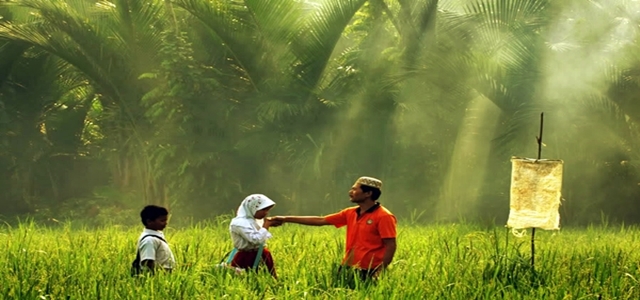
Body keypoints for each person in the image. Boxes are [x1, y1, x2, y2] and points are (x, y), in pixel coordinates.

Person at [271, 176, 397, 282]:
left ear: (368, 193)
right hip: (348, 265)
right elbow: (321, 220)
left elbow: (390, 245)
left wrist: (381, 270)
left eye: (355, 189)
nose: (350, 192)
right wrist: (285, 218)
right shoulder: (350, 213)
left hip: (371, 269)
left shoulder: (384, 216)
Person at [228, 194, 281, 278]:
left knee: (268, 280)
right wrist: (266, 225)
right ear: (253, 208)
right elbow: (255, 240)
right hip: (246, 257)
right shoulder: (239, 223)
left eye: (267, 210)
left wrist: (268, 225)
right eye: (263, 210)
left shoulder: (254, 221)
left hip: (262, 254)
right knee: (246, 280)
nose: (266, 213)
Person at [136, 205, 176, 274]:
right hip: (159, 276)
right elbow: (148, 262)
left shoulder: (157, 236)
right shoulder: (149, 240)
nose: (166, 223)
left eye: (166, 220)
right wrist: (153, 280)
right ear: (149, 222)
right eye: (162, 221)